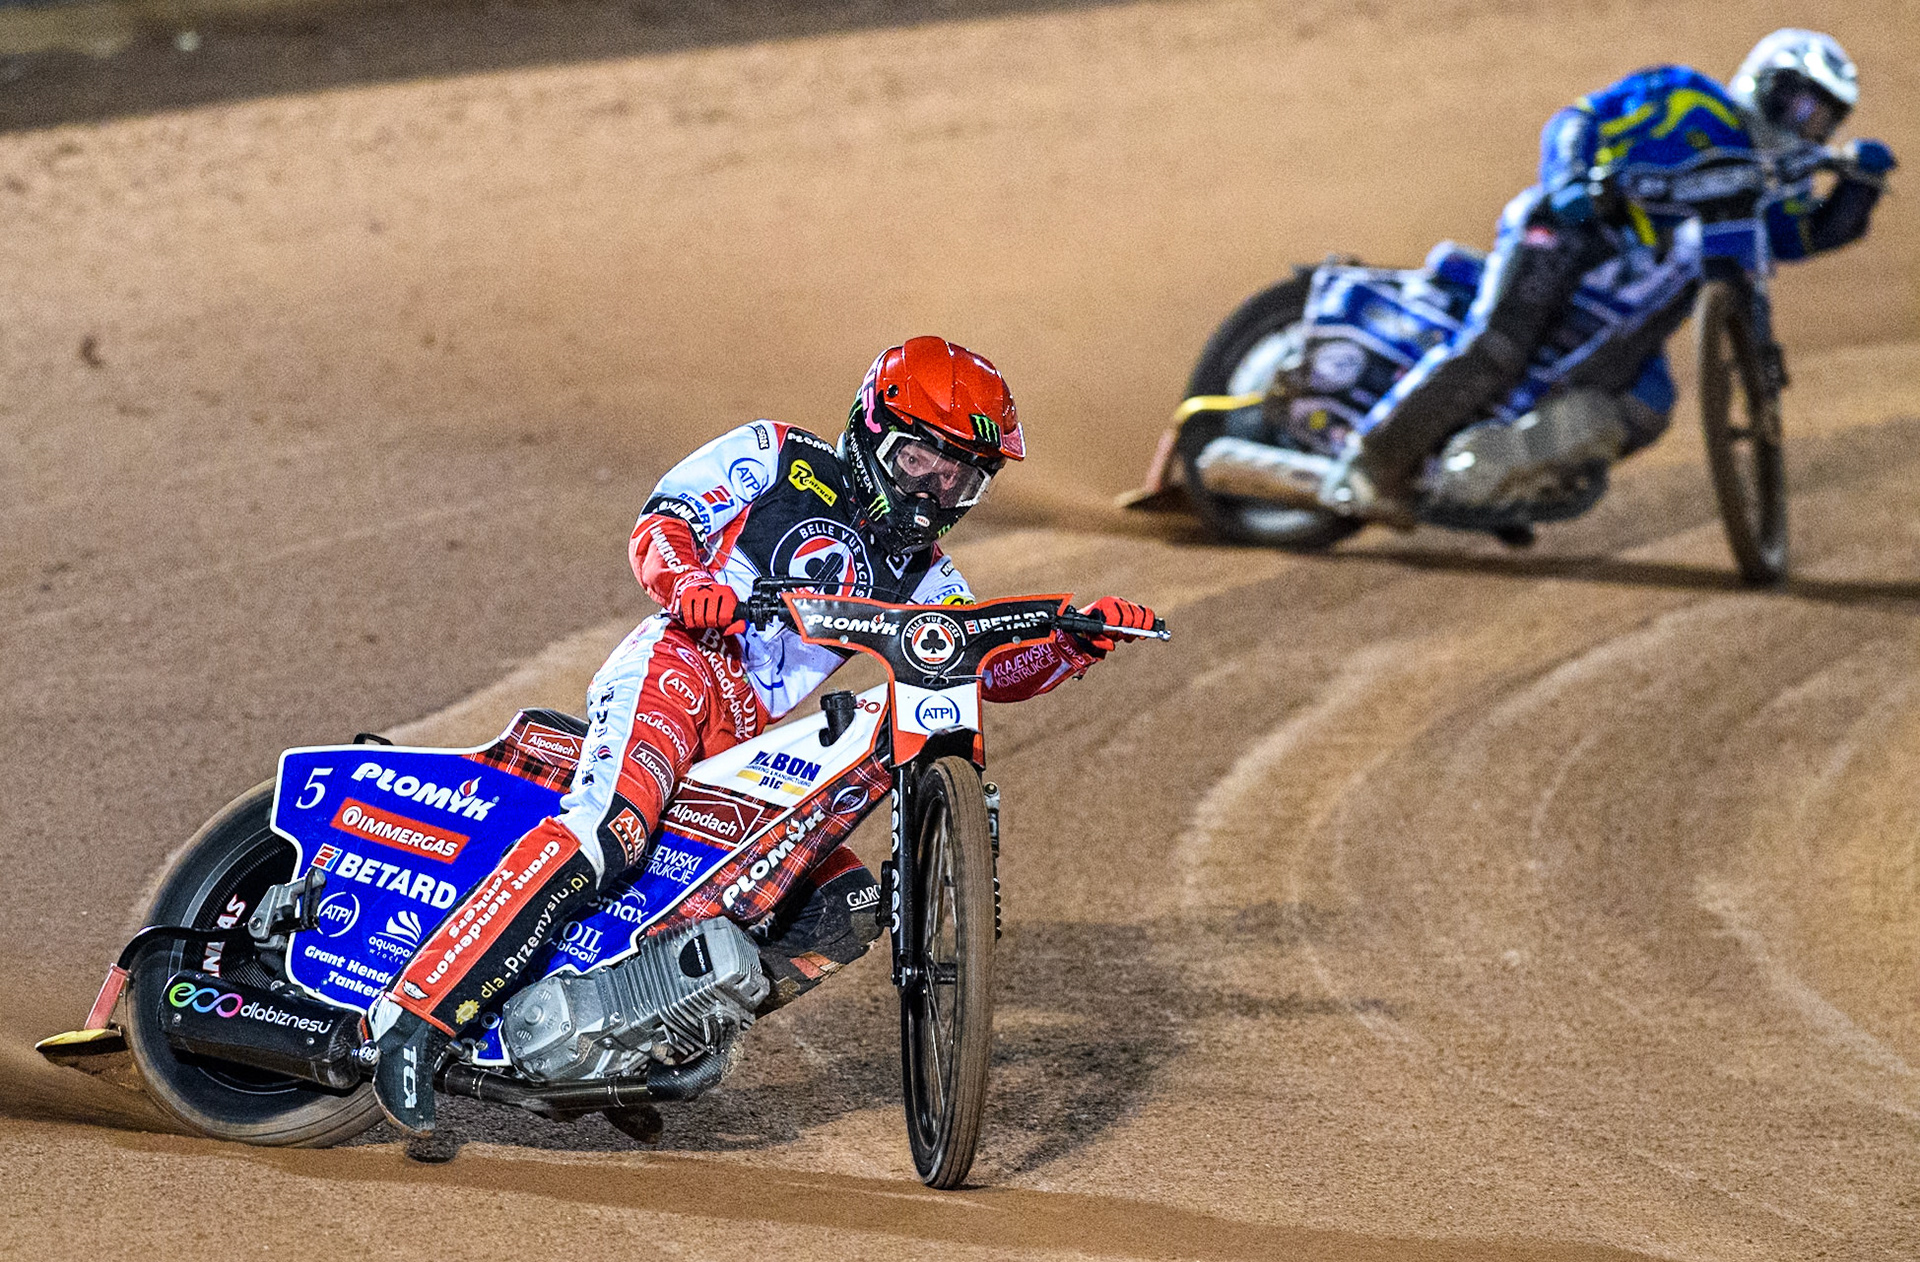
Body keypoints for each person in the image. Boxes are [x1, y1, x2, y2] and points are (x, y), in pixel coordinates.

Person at [366, 336, 1157, 1135]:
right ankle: (415, 1019)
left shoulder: (929, 577)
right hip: (679, 667)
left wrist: (1071, 645)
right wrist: (689, 583)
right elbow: (664, 520)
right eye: (920, 459)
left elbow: (979, 667)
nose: (933, 490)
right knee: (611, 831)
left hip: (746, 739)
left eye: (959, 477)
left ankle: (628, 1044)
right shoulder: (776, 455)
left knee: (844, 906)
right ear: (871, 431)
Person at [1319, 29, 1897, 522]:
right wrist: (1570, 180)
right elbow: (1580, 117)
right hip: (1568, 236)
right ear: (1767, 83)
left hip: (1629, 309)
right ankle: (1370, 465)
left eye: (1823, 118)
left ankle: (1494, 482)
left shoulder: (1778, 178)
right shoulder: (1686, 98)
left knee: (1646, 408)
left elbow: (1797, 238)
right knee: (1499, 347)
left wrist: (1858, 189)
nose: (1807, 124)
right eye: (1800, 105)